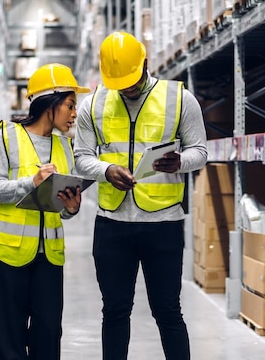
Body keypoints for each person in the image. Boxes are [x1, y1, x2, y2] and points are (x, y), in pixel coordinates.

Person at [74, 31, 208, 359]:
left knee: (168, 311)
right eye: (119, 83)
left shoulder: (179, 99)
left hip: (163, 224)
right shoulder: (92, 105)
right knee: (115, 312)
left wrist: (180, 161)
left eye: (131, 80)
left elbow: (201, 151)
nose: (126, 88)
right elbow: (81, 157)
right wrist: (106, 170)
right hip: (112, 224)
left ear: (146, 64)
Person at [0, 63, 91, 360]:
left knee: (49, 333)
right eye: (69, 105)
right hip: (5, 253)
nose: (74, 113)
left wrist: (71, 209)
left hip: (48, 256)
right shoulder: (5, 135)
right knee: (8, 336)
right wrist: (31, 182)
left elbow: (58, 206)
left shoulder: (64, 147)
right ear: (49, 103)